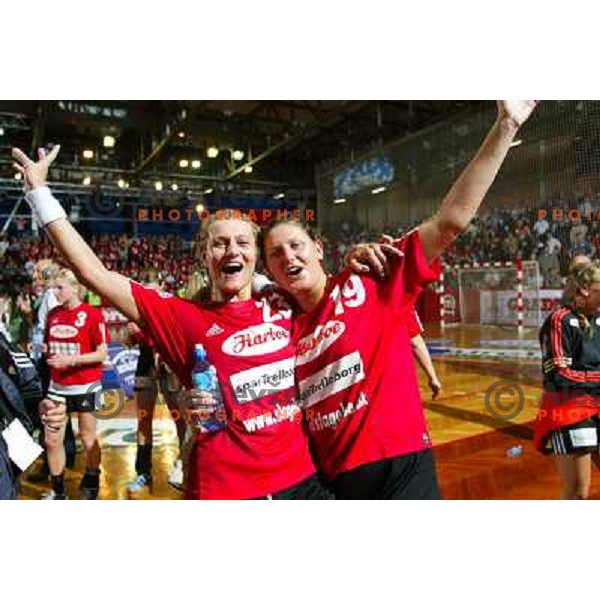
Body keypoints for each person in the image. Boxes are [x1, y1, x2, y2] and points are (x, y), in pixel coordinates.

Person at [13, 145, 351, 499]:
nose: (232, 251)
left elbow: (325, 283)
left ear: (256, 255)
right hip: (225, 488)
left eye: (242, 242)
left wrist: (359, 257)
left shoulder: (284, 302)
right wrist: (39, 192)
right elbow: (92, 272)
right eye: (220, 244)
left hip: (303, 480)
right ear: (205, 255)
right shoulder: (181, 316)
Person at [261, 101, 539, 499]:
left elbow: (449, 223)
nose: (289, 257)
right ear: (268, 269)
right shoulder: (278, 322)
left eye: (296, 245)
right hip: (333, 481)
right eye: (276, 253)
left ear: (318, 249)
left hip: (402, 467)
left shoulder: (373, 278)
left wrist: (506, 125)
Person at [534, 261, 600, 499]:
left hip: (595, 404)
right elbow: (559, 374)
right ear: (585, 290)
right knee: (578, 491)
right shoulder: (559, 320)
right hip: (568, 409)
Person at [42, 268, 108, 499]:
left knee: (88, 438)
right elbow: (50, 347)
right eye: (54, 287)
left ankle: (92, 477)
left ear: (74, 288)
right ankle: (58, 491)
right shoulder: (53, 315)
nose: (55, 291)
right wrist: (45, 352)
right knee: (52, 439)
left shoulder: (92, 315)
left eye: (59, 287)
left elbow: (101, 354)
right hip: (57, 387)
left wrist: (71, 359)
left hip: (86, 386)